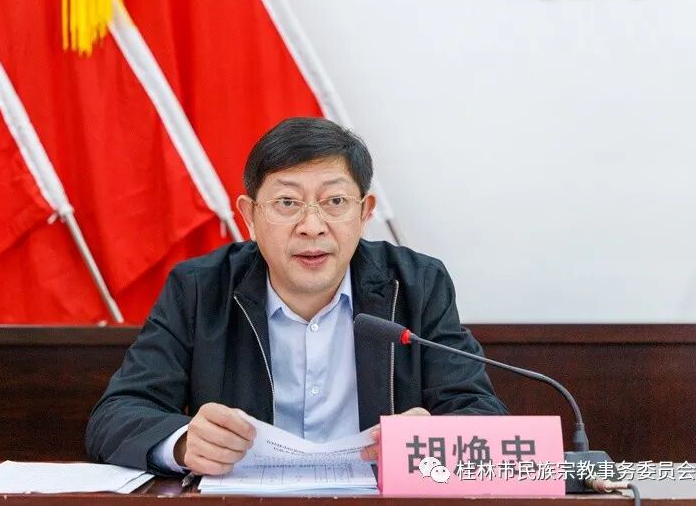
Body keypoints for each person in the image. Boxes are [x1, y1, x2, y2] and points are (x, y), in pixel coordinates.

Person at [85, 117, 507, 476]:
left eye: (335, 201)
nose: (312, 226)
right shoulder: (199, 289)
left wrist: (436, 439)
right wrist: (182, 444)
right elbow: (116, 414)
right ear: (250, 216)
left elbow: (482, 413)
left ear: (364, 212)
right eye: (287, 202)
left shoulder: (417, 284)